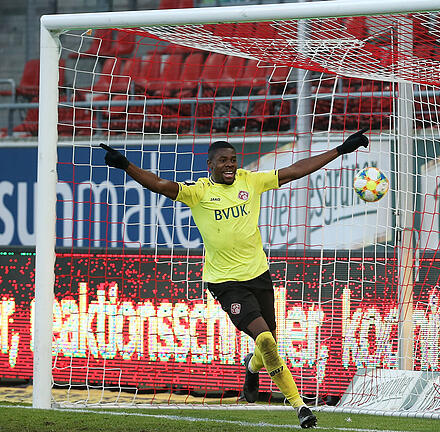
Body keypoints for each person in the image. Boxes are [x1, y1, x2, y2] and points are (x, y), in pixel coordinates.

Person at [99, 128, 370, 429]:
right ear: (210, 165)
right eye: (223, 161)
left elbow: (294, 171)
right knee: (265, 339)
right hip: (225, 282)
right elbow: (161, 185)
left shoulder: (249, 181)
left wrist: (340, 150)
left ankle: (252, 367)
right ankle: (300, 407)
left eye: (234, 160)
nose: (230, 165)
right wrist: (126, 166)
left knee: (268, 347)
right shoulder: (198, 192)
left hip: (258, 275)